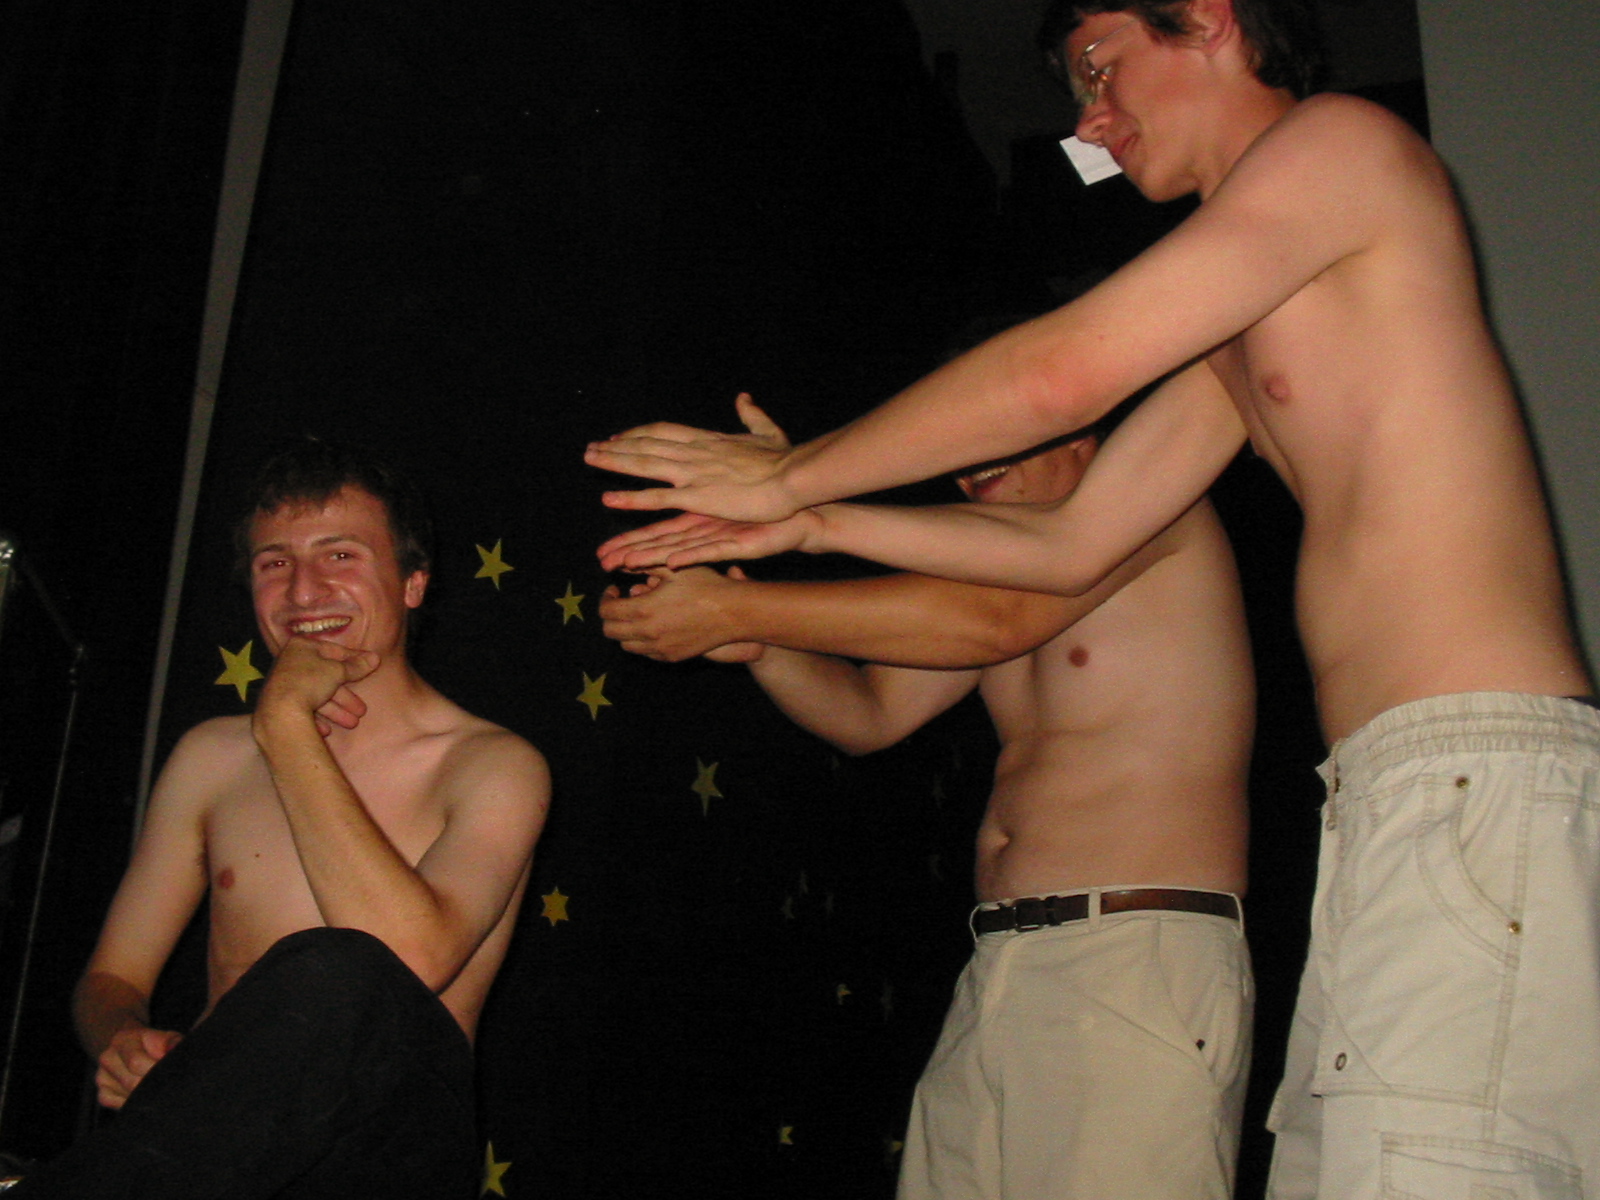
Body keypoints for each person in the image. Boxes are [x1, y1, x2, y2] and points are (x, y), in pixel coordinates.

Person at [584, 0, 1600, 1195]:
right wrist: (808, 525)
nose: (1088, 123)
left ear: (1207, 21)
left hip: (1467, 768)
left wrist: (795, 475)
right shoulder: (1240, 330)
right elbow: (1068, 544)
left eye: (1100, 68)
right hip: (1386, 789)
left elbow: (1059, 376)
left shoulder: (1339, 145)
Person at [604, 421, 1256, 1199]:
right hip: (1003, 963)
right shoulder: (1001, 575)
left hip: (1133, 958)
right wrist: (764, 648)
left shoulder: (1155, 502)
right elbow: (870, 712)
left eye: (1003, 425)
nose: (974, 456)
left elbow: (993, 621)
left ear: (1081, 429)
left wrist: (744, 604)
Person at [13, 438, 549, 1199]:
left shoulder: (493, 764)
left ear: (413, 582)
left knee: (335, 965)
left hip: (383, 1150)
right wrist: (123, 1038)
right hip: (215, 1152)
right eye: (274, 563)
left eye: (341, 556)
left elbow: (402, 965)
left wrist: (286, 728)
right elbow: (112, 976)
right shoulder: (211, 756)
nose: (303, 591)